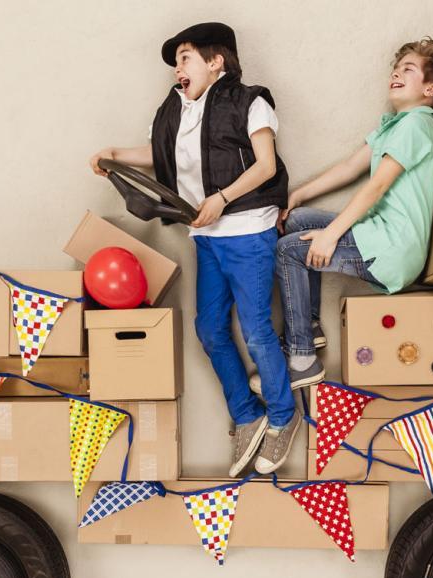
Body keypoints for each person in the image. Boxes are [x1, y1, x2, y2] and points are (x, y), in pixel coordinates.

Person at [88, 22, 296, 475]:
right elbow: (159, 155)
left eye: (184, 58)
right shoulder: (175, 110)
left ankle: (283, 416)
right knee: (210, 329)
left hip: (248, 230)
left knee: (256, 331)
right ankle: (247, 414)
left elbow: (265, 166)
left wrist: (221, 199)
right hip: (206, 237)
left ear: (215, 61)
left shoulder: (250, 101)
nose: (176, 68)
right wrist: (114, 154)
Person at [274, 37, 433, 389]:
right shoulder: (395, 125)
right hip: (379, 233)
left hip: (393, 247)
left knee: (288, 251)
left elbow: (377, 187)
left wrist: (330, 236)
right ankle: (309, 326)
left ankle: (302, 358)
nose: (396, 73)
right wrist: (299, 194)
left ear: (430, 89)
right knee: (298, 221)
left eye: (408, 69)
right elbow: (349, 168)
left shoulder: (417, 124)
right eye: (396, 68)